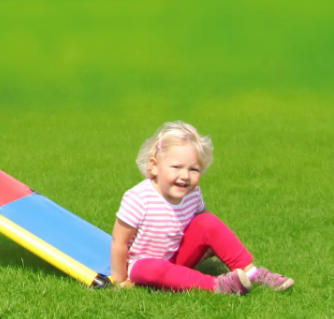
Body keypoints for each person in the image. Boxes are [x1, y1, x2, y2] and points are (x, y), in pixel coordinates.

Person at [110, 120, 294, 294]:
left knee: (207, 221)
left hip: (177, 258)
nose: (185, 176)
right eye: (176, 167)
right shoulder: (138, 199)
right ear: (154, 166)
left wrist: (211, 244)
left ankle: (252, 273)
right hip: (143, 265)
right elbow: (119, 242)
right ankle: (217, 285)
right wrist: (120, 280)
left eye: (193, 169)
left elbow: (207, 222)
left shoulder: (192, 193)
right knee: (150, 268)